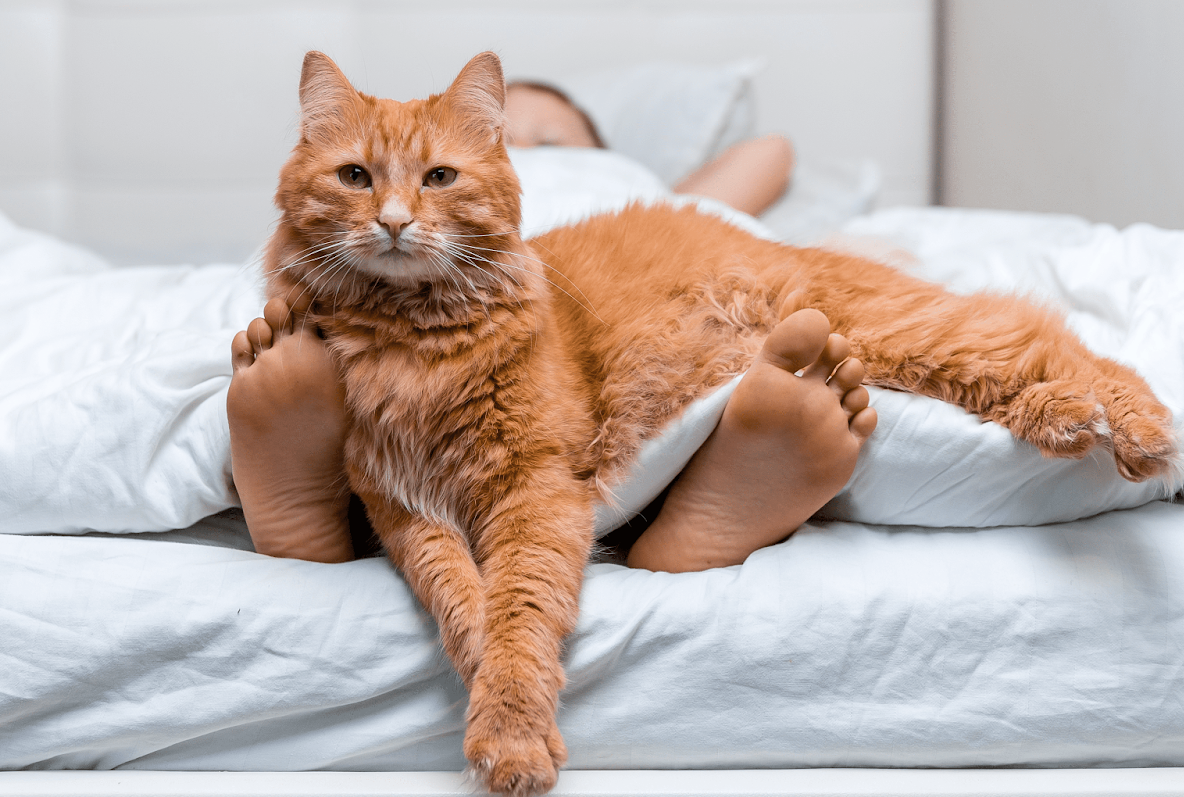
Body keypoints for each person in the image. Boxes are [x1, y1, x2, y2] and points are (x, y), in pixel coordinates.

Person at [225, 87, 876, 574]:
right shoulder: (393, 165)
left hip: (582, 266)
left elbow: (771, 153)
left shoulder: (627, 182)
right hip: (377, 269)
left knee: (570, 392)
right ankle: (314, 473)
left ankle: (714, 499)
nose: (524, 145)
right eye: (508, 129)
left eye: (550, 137)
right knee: (325, 349)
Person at [502, 81, 795, 218]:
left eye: (550, 145)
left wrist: (665, 201)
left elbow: (773, 150)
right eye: (501, 144)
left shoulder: (625, 188)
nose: (524, 155)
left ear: (604, 159)